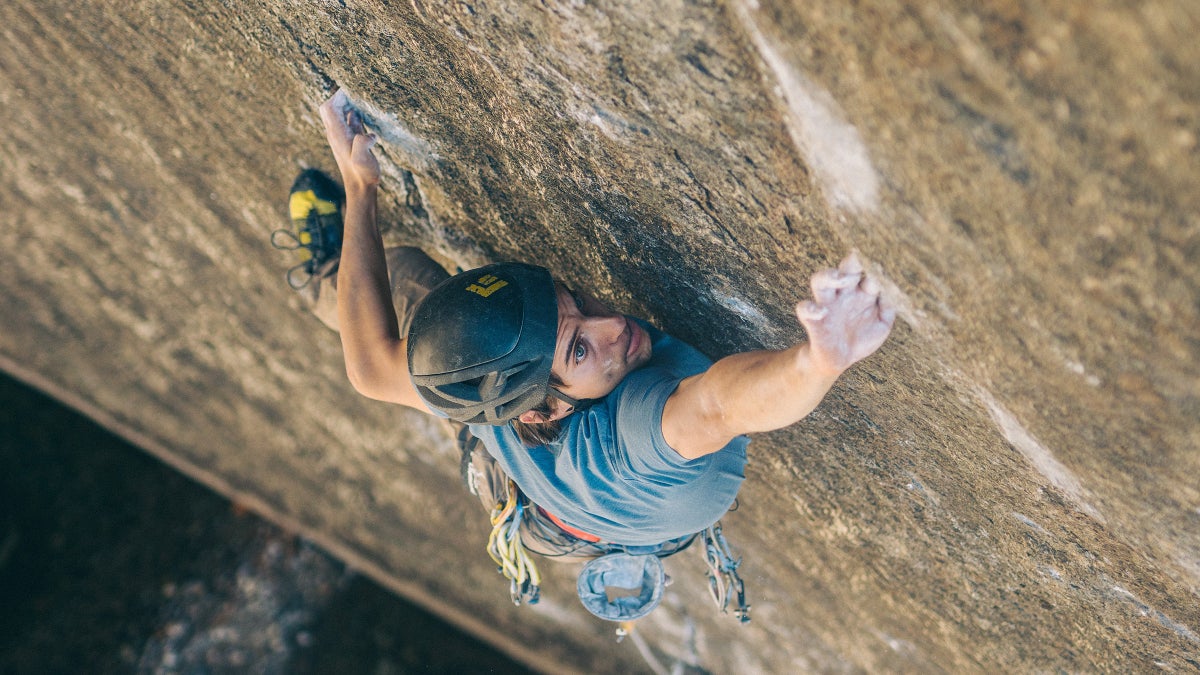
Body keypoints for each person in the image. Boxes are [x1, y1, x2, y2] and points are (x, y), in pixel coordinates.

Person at [313, 88, 895, 602]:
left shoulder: (497, 395)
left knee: (412, 288)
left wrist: (360, 186)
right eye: (582, 350)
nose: (612, 326)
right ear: (540, 408)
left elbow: (368, 367)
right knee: (422, 320)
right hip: (583, 508)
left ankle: (325, 274)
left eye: (578, 308)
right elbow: (721, 405)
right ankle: (321, 271)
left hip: (554, 496)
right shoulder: (633, 437)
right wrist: (818, 360)